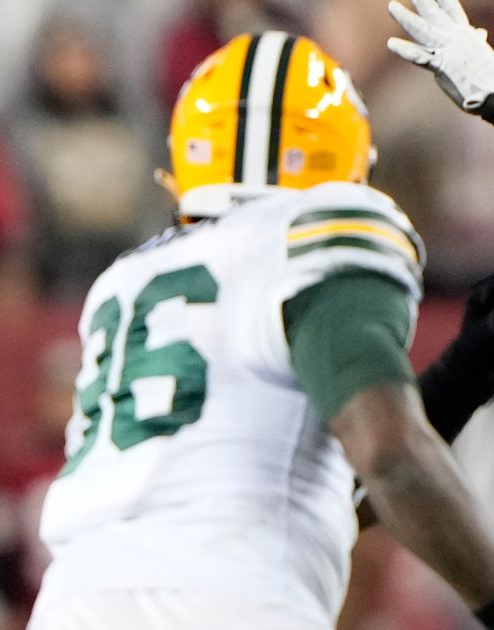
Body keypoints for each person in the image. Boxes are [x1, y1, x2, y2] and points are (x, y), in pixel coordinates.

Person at [26, 31, 494, 630]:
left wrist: (465, 372)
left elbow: (321, 485)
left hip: (70, 607)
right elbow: (389, 455)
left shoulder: (130, 277)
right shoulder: (320, 231)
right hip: (233, 607)